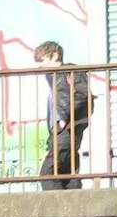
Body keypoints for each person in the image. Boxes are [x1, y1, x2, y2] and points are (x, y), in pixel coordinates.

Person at [36, 40, 92, 190]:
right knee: (67, 174)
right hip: (62, 130)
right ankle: (77, 209)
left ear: (54, 56)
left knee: (48, 173)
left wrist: (64, 117)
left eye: (42, 61)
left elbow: (83, 95)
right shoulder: (53, 77)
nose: (40, 66)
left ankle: (59, 212)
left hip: (68, 128)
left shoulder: (68, 72)